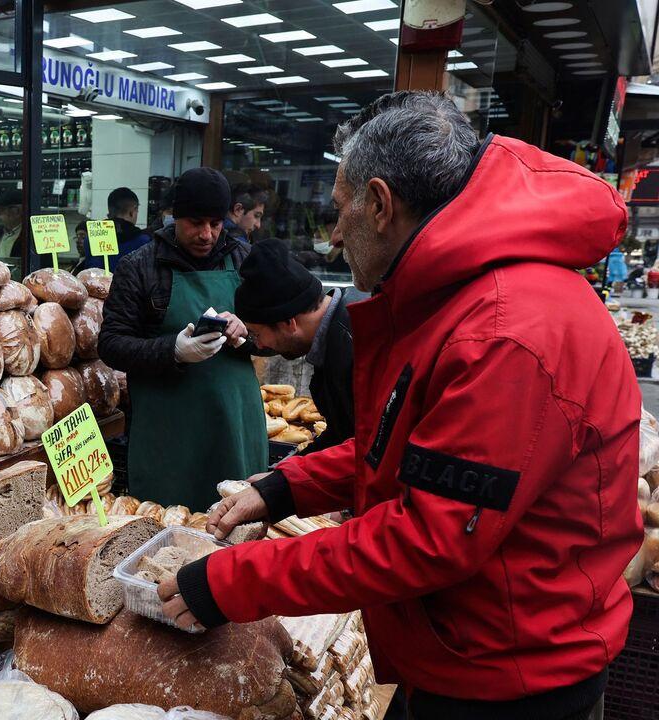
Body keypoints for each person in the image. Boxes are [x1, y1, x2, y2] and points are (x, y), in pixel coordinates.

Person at [160, 91, 638, 720]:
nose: (332, 236)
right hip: (462, 654)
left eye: (338, 209)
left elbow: (428, 537)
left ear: (381, 205)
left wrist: (228, 581)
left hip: (509, 683)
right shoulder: (461, 296)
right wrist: (284, 489)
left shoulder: (504, 330)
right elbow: (414, 448)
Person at [99, 167, 265, 509]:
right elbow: (111, 344)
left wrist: (247, 332)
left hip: (234, 424)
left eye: (215, 224)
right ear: (175, 216)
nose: (206, 234)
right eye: (196, 223)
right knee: (166, 528)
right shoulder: (140, 267)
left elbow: (277, 337)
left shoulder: (243, 258)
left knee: (237, 522)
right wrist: (172, 350)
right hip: (169, 432)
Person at [236, 239, 365, 456]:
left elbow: (365, 449)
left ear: (289, 323)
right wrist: (285, 472)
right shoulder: (335, 340)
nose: (258, 344)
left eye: (257, 334)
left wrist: (281, 482)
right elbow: (341, 436)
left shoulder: (357, 344)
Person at [72, 188, 152, 273]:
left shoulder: (91, 238)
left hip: (96, 285)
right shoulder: (144, 242)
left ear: (109, 211)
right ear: (132, 211)